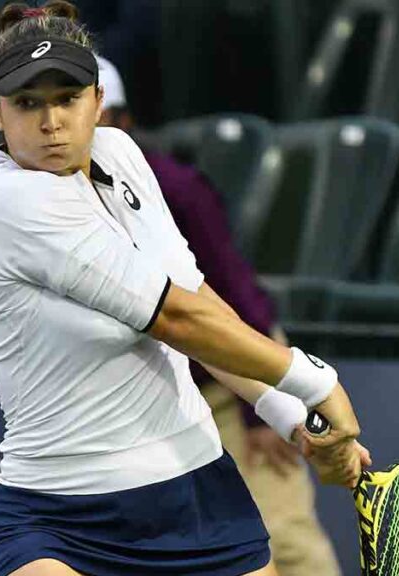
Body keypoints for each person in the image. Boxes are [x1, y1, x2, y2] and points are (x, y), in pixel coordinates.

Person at [0, 3, 371, 576]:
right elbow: (176, 319)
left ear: (98, 102)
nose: (51, 121)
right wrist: (317, 383)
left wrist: (287, 415)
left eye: (67, 98)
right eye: (28, 103)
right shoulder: (3, 207)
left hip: (194, 494)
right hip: (58, 518)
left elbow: (199, 299)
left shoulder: (121, 156)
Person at [96, 54, 342, 576]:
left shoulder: (175, 188)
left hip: (235, 370)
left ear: (122, 121)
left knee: (284, 537)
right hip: (161, 396)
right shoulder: (60, 204)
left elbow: (234, 293)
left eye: (100, 115)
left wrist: (261, 409)